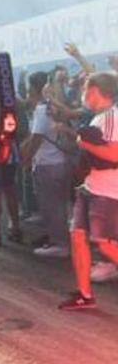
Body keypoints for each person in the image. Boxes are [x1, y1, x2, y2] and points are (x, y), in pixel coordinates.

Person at [59, 73, 118, 310]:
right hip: (91, 186)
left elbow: (115, 155)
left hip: (108, 191)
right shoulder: (100, 117)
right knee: (78, 236)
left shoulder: (112, 117)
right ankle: (85, 295)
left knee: (103, 243)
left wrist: (84, 144)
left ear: (95, 90)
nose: (83, 94)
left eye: (86, 88)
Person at [21, 72, 72, 258]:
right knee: (59, 205)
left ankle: (60, 244)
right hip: (59, 162)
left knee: (51, 206)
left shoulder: (42, 110)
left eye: (29, 89)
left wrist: (26, 161)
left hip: (48, 164)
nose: (28, 93)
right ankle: (58, 239)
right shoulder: (52, 108)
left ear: (35, 89)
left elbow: (36, 138)